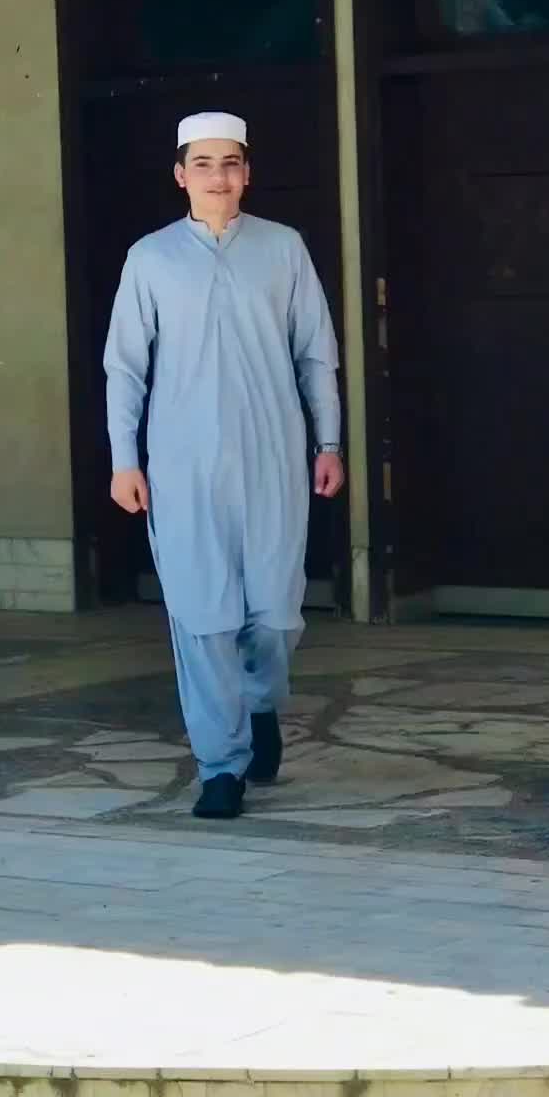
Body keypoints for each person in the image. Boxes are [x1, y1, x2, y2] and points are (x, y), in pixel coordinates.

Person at [104, 110, 344, 820]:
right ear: (181, 175)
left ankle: (260, 704)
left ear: (247, 172)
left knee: (274, 614)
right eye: (203, 163)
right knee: (202, 615)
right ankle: (220, 767)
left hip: (273, 456)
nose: (218, 176)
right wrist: (124, 460)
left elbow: (316, 354)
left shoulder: (283, 248)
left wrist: (329, 444)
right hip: (182, 464)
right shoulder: (150, 258)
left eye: (230, 162)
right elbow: (125, 367)